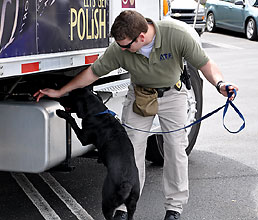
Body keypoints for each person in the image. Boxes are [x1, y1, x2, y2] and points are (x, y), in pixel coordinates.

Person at [34, 10, 238, 220]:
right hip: (139, 96)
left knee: (176, 150)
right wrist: (61, 91)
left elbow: (206, 64)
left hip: (173, 95)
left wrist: (220, 84)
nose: (122, 50)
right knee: (131, 151)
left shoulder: (176, 34)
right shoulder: (120, 48)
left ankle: (174, 208)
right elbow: (93, 73)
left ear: (141, 37)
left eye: (125, 46)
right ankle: (123, 207)